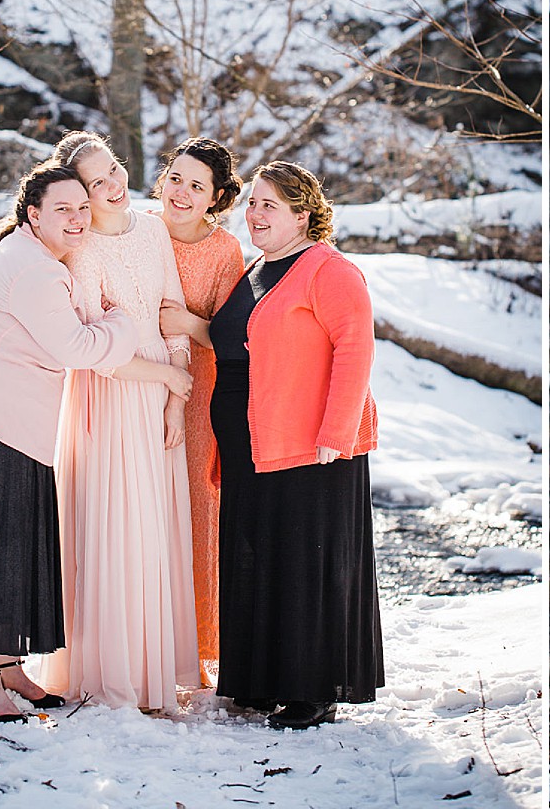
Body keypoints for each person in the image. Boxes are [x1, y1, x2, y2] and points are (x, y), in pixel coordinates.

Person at [0, 162, 138, 722]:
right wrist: (123, 323)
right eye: (63, 209)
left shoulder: (31, 256)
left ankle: (10, 669)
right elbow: (76, 348)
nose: (77, 219)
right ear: (33, 215)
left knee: (11, 548)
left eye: (83, 208)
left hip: (9, 425)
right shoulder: (36, 270)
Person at [206, 161, 383, 730]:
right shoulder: (257, 268)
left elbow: (355, 350)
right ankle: (259, 681)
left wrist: (336, 432)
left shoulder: (328, 270)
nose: (255, 214)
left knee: (307, 563)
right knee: (257, 558)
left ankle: (311, 689)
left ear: (303, 213)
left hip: (312, 442)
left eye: (269, 206)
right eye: (253, 203)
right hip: (251, 440)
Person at [40, 131, 200, 710]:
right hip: (113, 397)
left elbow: (172, 315)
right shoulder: (82, 252)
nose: (114, 186)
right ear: (78, 196)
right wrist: (162, 379)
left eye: (114, 170)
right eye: (96, 183)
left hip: (163, 391)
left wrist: (177, 397)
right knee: (120, 527)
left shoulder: (154, 228)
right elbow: (93, 351)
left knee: (157, 529)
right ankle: (117, 675)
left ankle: (157, 670)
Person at [153, 137, 247, 685]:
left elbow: (232, 336)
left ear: (214, 198)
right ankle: (134, 640)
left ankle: (190, 650)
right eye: (176, 180)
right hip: (133, 387)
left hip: (195, 394)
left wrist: (188, 323)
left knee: (191, 510)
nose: (181, 194)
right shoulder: (136, 229)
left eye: (196, 187)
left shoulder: (223, 251)